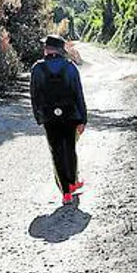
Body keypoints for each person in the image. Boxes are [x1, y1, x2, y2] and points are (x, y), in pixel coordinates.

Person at [29, 34, 88, 205]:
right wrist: (83, 118)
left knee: (56, 152)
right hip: (70, 115)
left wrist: (39, 117)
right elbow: (78, 93)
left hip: (49, 117)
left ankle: (66, 192)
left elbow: (35, 96)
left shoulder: (37, 69)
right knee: (70, 149)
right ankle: (72, 182)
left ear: (48, 49)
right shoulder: (70, 67)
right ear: (61, 50)